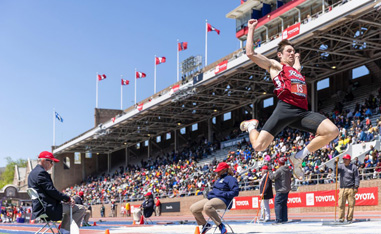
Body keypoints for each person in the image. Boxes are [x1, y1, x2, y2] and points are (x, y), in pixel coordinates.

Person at [241, 19, 339, 180]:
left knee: (332, 131)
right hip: (285, 109)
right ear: (280, 55)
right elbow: (250, 53)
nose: (292, 53)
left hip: (301, 112)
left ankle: (298, 157)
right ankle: (251, 126)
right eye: (288, 51)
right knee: (259, 146)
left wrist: (297, 57)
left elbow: (298, 67)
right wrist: (251, 29)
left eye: (293, 51)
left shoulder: (297, 71)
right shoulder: (276, 66)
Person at [28, 151, 86, 233]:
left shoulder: (32, 173)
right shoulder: (41, 173)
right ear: (44, 160)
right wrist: (67, 198)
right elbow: (51, 191)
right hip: (47, 208)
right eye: (51, 162)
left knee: (70, 208)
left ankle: (63, 231)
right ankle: (64, 231)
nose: (52, 165)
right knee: (80, 209)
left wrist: (64, 200)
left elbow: (48, 192)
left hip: (41, 207)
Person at [190, 162, 239, 234]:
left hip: (224, 201)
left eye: (219, 170)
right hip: (213, 199)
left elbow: (235, 192)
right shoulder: (218, 180)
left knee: (208, 206)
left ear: (224, 170)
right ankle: (205, 225)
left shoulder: (231, 179)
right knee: (193, 208)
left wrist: (222, 194)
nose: (217, 172)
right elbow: (215, 191)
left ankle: (221, 226)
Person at [335, 154, 360, 223]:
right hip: (342, 188)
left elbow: (357, 177)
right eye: (343, 159)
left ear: (349, 160)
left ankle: (349, 218)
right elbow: (336, 172)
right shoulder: (341, 166)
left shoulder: (354, 167)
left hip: (351, 188)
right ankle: (341, 218)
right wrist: (335, 164)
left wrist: (356, 186)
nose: (344, 160)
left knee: (351, 204)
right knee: (341, 204)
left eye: (345, 159)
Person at [269, 157, 292, 224]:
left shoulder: (280, 170)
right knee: (284, 204)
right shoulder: (288, 170)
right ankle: (284, 219)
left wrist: (270, 171)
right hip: (286, 189)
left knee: (278, 204)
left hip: (280, 189)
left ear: (279, 163)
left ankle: (278, 219)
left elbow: (272, 177)